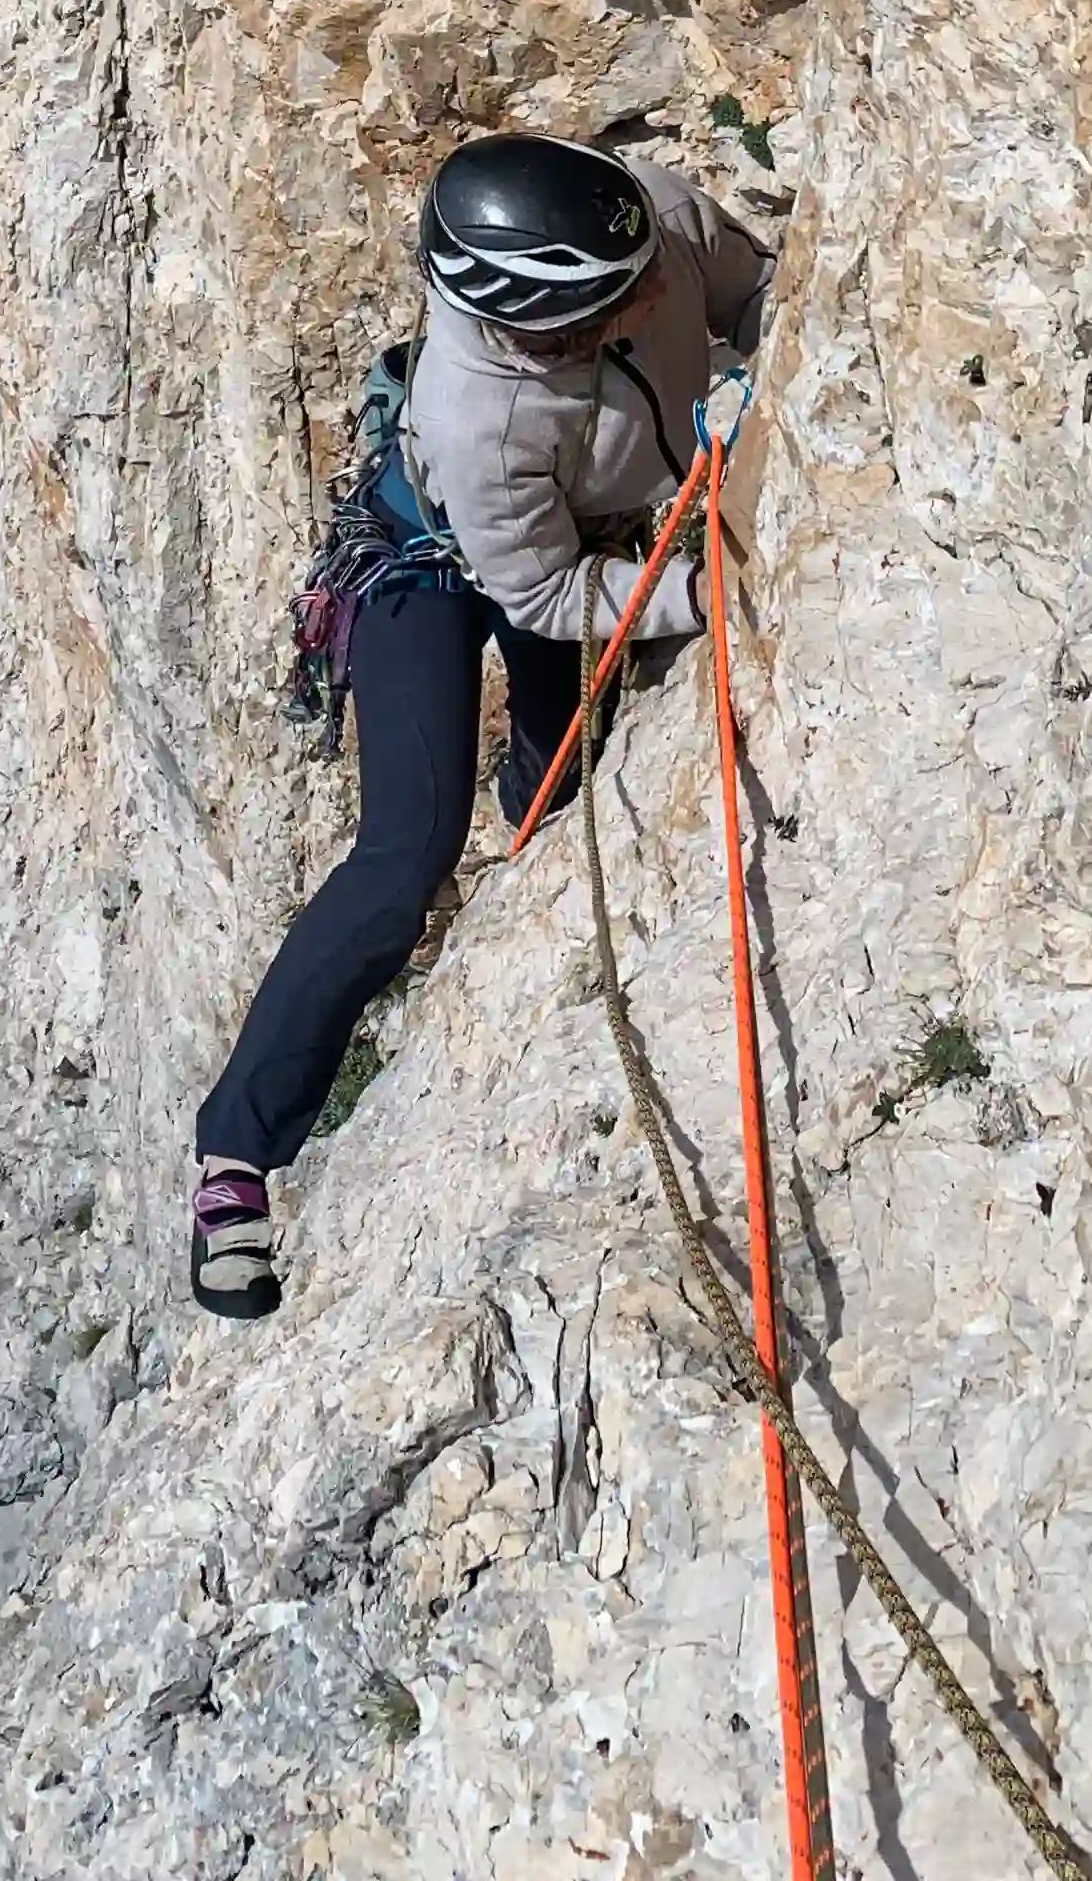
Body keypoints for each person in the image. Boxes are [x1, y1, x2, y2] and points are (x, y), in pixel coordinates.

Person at [190, 131, 769, 1318]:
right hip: (430, 561)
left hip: (572, 532)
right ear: (539, 326)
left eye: (650, 267)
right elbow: (548, 597)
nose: (662, 288)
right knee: (406, 854)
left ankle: (533, 805)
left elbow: (750, 289)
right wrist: (702, 594)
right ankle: (235, 1155)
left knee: (558, 782)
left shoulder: (643, 219)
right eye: (628, 297)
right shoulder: (480, 417)